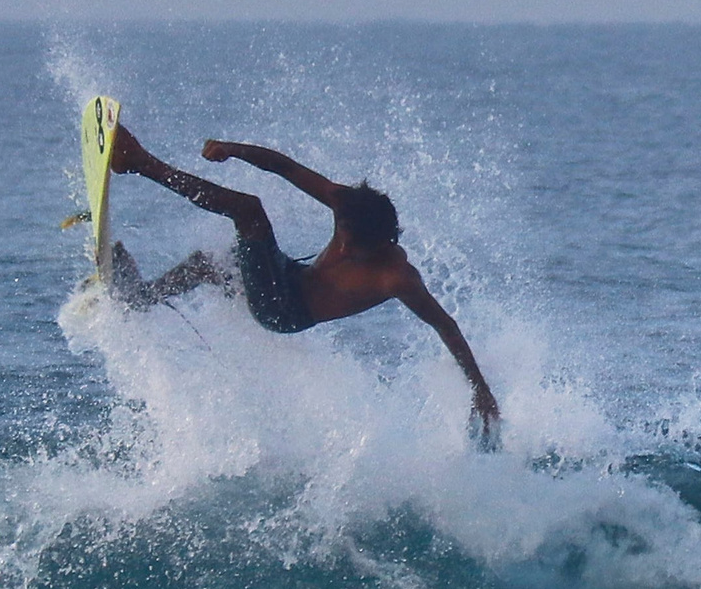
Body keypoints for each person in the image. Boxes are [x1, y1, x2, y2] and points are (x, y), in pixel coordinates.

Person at [100, 124, 501, 436]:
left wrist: (480, 389)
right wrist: (232, 149)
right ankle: (140, 298)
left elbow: (445, 325)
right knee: (210, 263)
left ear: (377, 244)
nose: (339, 249)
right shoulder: (348, 204)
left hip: (283, 310)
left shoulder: (397, 278)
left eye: (350, 247)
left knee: (249, 211)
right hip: (289, 272)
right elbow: (285, 167)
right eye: (339, 237)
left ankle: (138, 162)